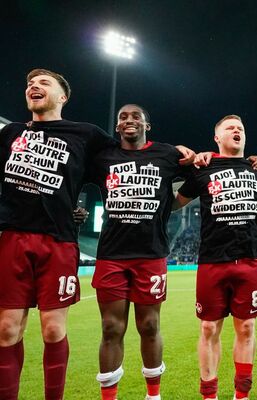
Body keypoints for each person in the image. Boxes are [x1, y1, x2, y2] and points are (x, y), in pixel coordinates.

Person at [0, 68, 117, 400]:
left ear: (63, 97)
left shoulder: (86, 134)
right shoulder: (10, 134)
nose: (34, 86)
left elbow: (126, 158)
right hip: (12, 239)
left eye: (43, 83)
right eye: (29, 84)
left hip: (59, 241)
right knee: (7, 330)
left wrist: (180, 157)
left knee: (53, 330)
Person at [90, 104, 195, 400]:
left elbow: (199, 167)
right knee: (111, 328)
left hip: (151, 253)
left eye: (136, 116)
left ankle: (153, 395)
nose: (129, 120)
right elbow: (71, 175)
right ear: (117, 126)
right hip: (111, 253)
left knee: (149, 325)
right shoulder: (103, 158)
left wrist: (198, 155)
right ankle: (109, 396)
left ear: (148, 125)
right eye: (123, 117)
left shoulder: (166, 154)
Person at [174, 115, 257, 400]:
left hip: (251, 258)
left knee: (246, 326)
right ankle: (210, 395)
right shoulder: (202, 168)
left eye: (241, 128)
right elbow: (173, 204)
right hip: (212, 259)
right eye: (230, 128)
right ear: (216, 137)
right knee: (208, 328)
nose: (237, 131)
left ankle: (241, 395)